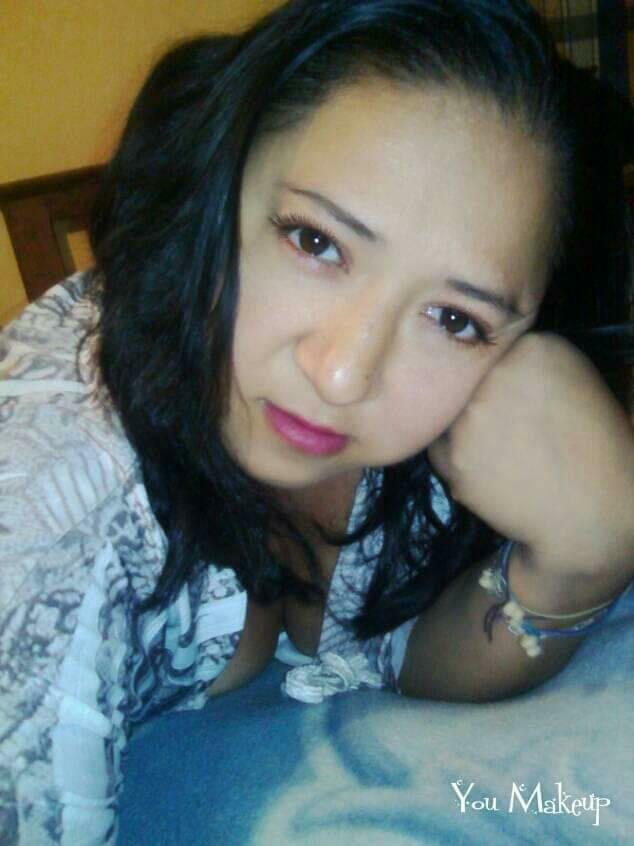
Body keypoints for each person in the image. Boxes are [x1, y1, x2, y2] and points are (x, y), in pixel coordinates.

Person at [1, 0, 633, 843]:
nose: (342, 374)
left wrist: (585, 561)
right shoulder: (47, 510)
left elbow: (398, 654)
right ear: (217, 181)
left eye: (453, 318)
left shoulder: (446, 411)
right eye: (316, 242)